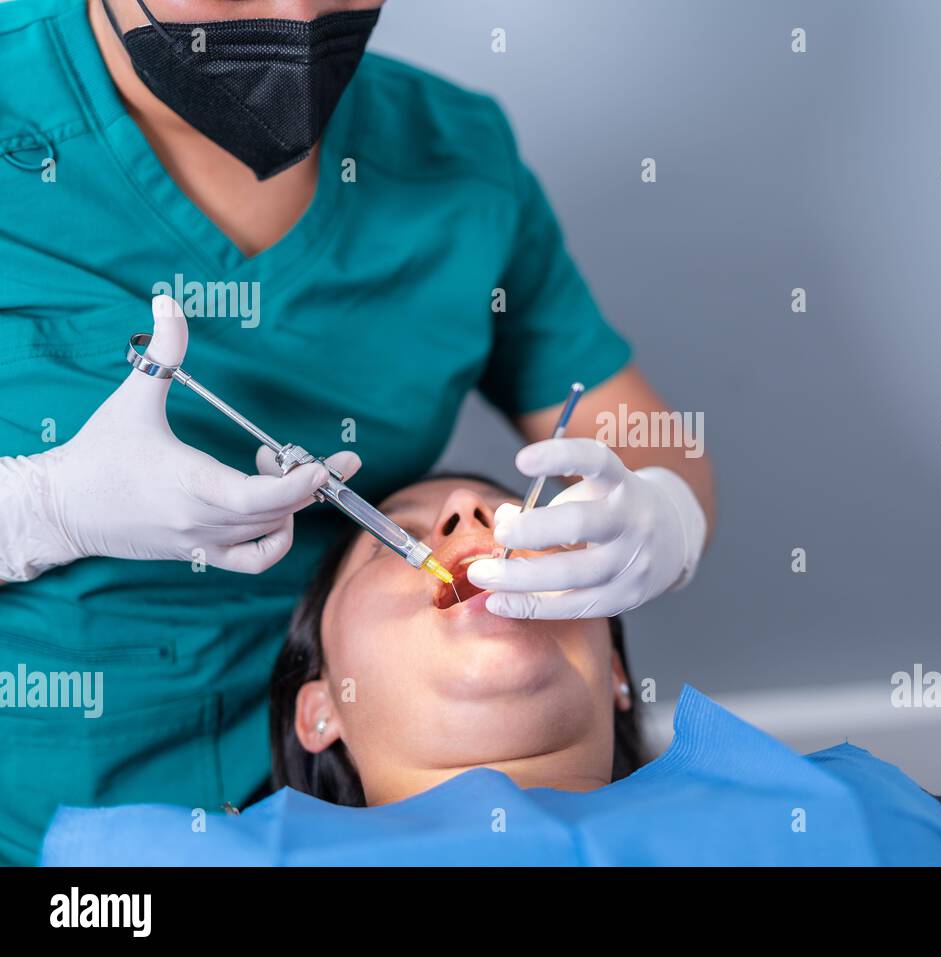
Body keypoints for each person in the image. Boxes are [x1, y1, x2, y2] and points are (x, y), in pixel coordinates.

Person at [0, 0, 714, 865]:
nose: (297, 13)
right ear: (317, 707)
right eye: (396, 530)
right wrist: (38, 510)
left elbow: (634, 428)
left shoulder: (455, 159)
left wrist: (667, 512)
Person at [41, 475, 941, 866]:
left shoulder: (871, 803)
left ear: (615, 673)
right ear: (319, 709)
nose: (471, 521)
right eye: (400, 536)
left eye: (515, 523)